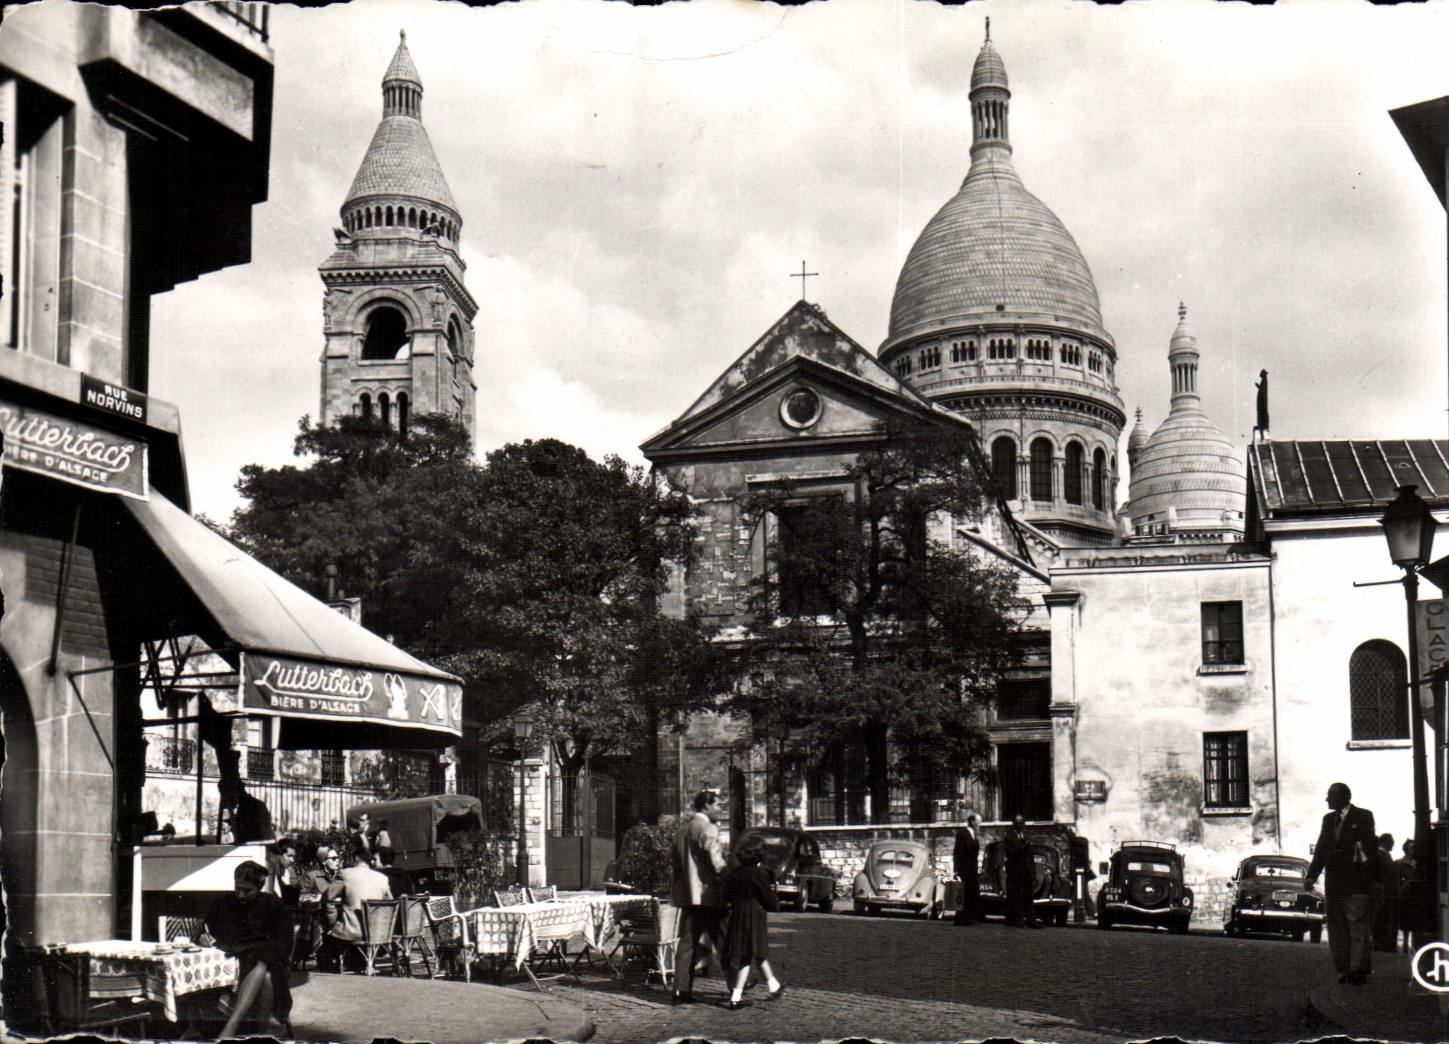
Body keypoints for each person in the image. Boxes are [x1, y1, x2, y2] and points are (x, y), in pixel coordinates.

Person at [199, 860, 293, 1038]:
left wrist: (255, 949)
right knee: (265, 974)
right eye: (238, 888)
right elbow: (205, 930)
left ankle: (234, 1027)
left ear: (259, 887)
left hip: (267, 961)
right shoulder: (223, 902)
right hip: (229, 963)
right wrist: (203, 938)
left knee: (265, 966)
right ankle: (253, 1032)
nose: (240, 894)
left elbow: (283, 944)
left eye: (247, 890)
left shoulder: (273, 905)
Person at [1305, 782, 1378, 984]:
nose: (1327, 800)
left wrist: (1372, 880)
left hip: (1356, 883)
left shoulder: (1363, 816)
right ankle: (1345, 968)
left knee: (1357, 927)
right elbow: (1321, 848)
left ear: (1343, 797)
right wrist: (1312, 875)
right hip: (1334, 883)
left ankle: (1358, 970)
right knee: (1337, 928)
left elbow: (1369, 850)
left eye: (1330, 796)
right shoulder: (1328, 820)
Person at [670, 789, 728, 1005]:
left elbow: (676, 865)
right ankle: (737, 985)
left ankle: (680, 990)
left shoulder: (681, 831)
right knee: (724, 940)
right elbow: (717, 863)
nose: (719, 809)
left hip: (688, 896)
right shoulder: (708, 829)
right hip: (709, 895)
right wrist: (729, 880)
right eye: (717, 805)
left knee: (687, 944)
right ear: (706, 805)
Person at [721, 837, 784, 1010]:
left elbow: (726, 896)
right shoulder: (758, 874)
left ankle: (774, 986)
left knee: (757, 953)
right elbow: (770, 901)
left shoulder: (735, 873)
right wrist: (775, 901)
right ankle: (736, 997)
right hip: (754, 917)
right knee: (748, 955)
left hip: (737, 917)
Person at [330, 837, 392, 943]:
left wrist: (332, 921)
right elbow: (390, 903)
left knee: (327, 936)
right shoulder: (383, 878)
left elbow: (328, 899)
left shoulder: (345, 874)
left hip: (352, 933)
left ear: (356, 858)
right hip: (377, 933)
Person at [1003, 814, 1040, 928]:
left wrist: (1033, 872)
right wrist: (1023, 846)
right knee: (1016, 897)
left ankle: (1031, 920)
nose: (1020, 825)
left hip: (1026, 871)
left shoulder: (1025, 836)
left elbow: (1030, 856)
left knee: (1029, 896)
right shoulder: (1008, 836)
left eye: (1022, 823)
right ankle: (1017, 920)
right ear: (1014, 824)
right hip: (1015, 871)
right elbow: (1011, 853)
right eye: (1018, 823)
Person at [952, 813, 982, 926]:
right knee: (964, 893)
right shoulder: (962, 834)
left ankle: (970, 917)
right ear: (973, 822)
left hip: (972, 869)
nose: (979, 824)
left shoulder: (974, 834)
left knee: (972, 893)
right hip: (964, 869)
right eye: (978, 822)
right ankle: (961, 919)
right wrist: (956, 869)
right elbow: (958, 853)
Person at [1371, 833, 1398, 953]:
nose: (1393, 844)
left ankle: (1382, 943)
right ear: (1385, 842)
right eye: (1391, 841)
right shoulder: (1379, 855)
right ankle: (1379, 943)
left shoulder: (1385, 855)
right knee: (1379, 918)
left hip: (1387, 893)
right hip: (1382, 893)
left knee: (1384, 919)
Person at [1397, 838, 1419, 952]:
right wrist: (1406, 883)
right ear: (1406, 850)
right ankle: (1405, 944)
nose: (1414, 850)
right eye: (1412, 848)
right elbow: (1397, 882)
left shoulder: (1417, 863)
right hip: (1405, 897)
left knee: (1415, 922)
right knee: (1405, 922)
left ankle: (1414, 945)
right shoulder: (1400, 864)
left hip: (1416, 897)